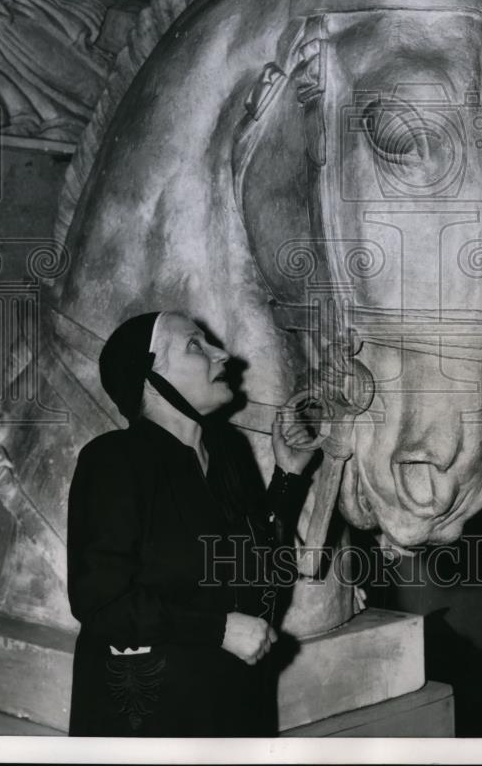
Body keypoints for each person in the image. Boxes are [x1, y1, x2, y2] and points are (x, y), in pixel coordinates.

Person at [66, 311, 313, 737]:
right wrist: (217, 629)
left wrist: (288, 477)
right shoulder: (113, 459)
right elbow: (99, 601)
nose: (223, 355)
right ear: (148, 376)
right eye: (195, 345)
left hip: (234, 708)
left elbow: (259, 569)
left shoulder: (228, 452)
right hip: (155, 722)